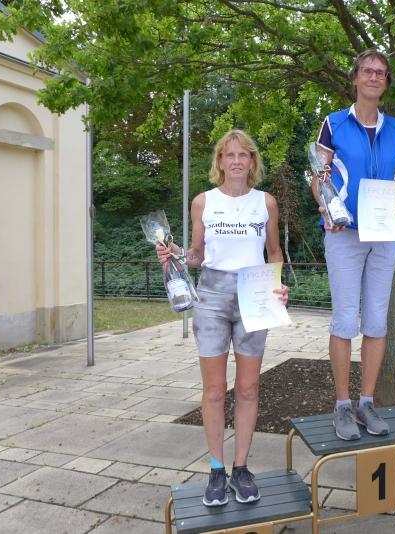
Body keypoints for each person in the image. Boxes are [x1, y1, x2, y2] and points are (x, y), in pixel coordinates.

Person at [156, 129, 288, 505]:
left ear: (252, 161)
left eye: (243, 155)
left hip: (254, 295)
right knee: (214, 390)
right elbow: (198, 255)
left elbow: (274, 252)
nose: (236, 161)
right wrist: (175, 253)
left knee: (247, 388)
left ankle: (241, 468)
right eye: (229, 155)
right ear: (220, 162)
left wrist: (278, 285)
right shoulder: (203, 202)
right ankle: (216, 469)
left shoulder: (266, 202)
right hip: (212, 296)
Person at [311, 49, 395, 440]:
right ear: (354, 78)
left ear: (386, 83)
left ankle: (366, 402)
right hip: (345, 233)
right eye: (367, 71)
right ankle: (341, 405)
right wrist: (325, 206)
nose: (373, 77)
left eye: (381, 73)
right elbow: (318, 174)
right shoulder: (333, 123)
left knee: (375, 320)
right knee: (344, 319)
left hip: (384, 234)